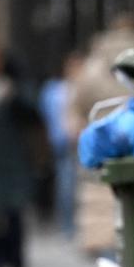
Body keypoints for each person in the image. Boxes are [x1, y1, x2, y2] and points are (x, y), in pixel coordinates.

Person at [0, 49, 49, 267]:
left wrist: (14, 97)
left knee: (15, 217)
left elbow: (35, 118)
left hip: (15, 164)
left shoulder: (18, 89)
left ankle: (17, 265)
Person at [39, 51, 84, 239]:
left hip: (80, 142)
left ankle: (78, 226)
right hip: (65, 143)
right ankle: (67, 225)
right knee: (66, 185)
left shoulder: (83, 87)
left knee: (77, 186)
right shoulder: (55, 89)